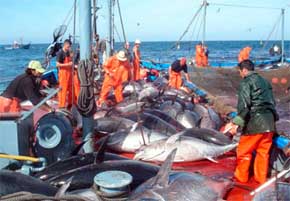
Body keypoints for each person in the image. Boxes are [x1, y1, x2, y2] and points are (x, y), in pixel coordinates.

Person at [225, 59, 279, 184]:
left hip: (255, 124)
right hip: (269, 124)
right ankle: (261, 180)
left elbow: (244, 106)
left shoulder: (246, 82)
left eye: (240, 72)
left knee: (244, 152)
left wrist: (235, 123)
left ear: (244, 70)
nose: (240, 74)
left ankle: (241, 180)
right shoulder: (265, 82)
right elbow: (272, 102)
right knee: (263, 153)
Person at [56, 39, 79, 109]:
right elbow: (57, 64)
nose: (69, 48)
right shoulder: (60, 53)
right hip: (63, 74)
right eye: (68, 47)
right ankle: (61, 106)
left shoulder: (68, 53)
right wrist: (67, 64)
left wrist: (74, 66)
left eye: (70, 47)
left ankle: (71, 103)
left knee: (71, 88)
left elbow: (71, 62)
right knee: (63, 90)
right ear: (65, 45)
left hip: (70, 73)